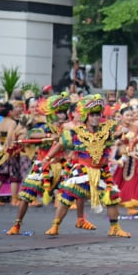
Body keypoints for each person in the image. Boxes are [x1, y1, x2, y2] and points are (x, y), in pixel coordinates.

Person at [41, 94, 130, 238]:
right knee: (66, 197)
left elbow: (121, 130)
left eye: (97, 114)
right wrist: (47, 157)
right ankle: (55, 226)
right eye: (92, 115)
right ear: (86, 116)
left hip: (101, 171)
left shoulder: (106, 131)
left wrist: (124, 131)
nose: (95, 117)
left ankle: (115, 228)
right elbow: (61, 145)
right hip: (81, 171)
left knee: (111, 197)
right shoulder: (76, 132)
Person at [6, 93, 95, 234]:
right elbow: (31, 135)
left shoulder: (68, 128)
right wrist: (48, 136)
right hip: (44, 164)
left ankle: (76, 220)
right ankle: (17, 224)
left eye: (63, 112)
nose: (62, 115)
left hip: (63, 165)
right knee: (26, 195)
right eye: (59, 112)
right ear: (52, 113)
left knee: (78, 189)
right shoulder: (45, 126)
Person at [0, 101, 24, 205]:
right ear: (9, 112)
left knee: (1, 176)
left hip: (0, 151)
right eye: (13, 110)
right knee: (14, 175)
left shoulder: (2, 122)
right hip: (8, 151)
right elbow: (9, 136)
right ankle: (14, 199)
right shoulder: (12, 123)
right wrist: (10, 147)